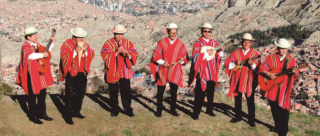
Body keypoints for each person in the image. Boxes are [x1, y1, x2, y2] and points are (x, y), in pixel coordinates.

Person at [258, 38, 299, 136]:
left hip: (284, 89)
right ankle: (277, 127)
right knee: (274, 109)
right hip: (273, 88)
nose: (283, 50)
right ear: (277, 48)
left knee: (284, 110)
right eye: (281, 48)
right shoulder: (270, 58)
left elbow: (296, 71)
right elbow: (261, 68)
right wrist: (268, 74)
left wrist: (295, 72)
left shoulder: (291, 60)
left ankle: (284, 131)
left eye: (285, 49)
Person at [16, 27, 55, 124]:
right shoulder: (25, 46)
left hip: (39, 73)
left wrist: (52, 42)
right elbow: (30, 56)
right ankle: (33, 116)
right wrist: (42, 55)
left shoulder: (37, 45)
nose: (37, 37)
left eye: (36, 35)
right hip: (30, 75)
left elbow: (45, 52)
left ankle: (42, 113)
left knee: (42, 95)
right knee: (32, 96)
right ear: (28, 37)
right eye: (34, 35)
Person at [149, 23, 188, 117]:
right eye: (172, 33)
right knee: (160, 91)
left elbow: (185, 57)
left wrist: (182, 61)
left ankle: (173, 110)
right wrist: (163, 62)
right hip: (163, 69)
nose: (173, 35)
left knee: (174, 91)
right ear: (168, 32)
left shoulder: (180, 44)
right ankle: (159, 110)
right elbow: (156, 56)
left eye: (175, 33)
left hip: (175, 70)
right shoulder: (161, 42)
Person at [188, 23, 225, 120]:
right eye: (205, 31)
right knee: (200, 93)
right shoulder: (198, 43)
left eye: (209, 31)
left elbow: (216, 56)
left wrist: (220, 52)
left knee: (210, 92)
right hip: (202, 72)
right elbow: (195, 56)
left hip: (212, 71)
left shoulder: (214, 43)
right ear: (201, 32)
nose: (207, 33)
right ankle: (196, 112)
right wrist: (205, 54)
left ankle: (210, 109)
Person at [101, 24, 138, 117]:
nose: (119, 36)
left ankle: (128, 109)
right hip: (113, 71)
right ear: (114, 33)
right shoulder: (108, 43)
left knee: (126, 91)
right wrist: (116, 52)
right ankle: (115, 109)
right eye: (117, 34)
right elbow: (105, 56)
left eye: (121, 34)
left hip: (124, 71)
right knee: (113, 91)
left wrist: (127, 53)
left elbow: (134, 54)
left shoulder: (128, 43)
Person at [59, 27, 95, 125]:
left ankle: (76, 111)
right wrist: (74, 51)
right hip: (71, 73)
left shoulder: (85, 44)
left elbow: (92, 53)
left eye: (82, 38)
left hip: (82, 72)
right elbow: (63, 57)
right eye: (79, 38)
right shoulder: (66, 44)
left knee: (80, 94)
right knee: (70, 95)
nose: (82, 40)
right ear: (74, 37)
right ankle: (68, 115)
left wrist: (86, 51)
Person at [224, 33, 260, 127]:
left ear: (251, 43)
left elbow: (259, 68)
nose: (246, 44)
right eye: (244, 42)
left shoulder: (255, 54)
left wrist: (252, 64)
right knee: (237, 98)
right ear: (241, 43)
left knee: (250, 99)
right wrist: (235, 63)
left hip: (249, 80)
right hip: (237, 79)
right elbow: (227, 63)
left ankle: (251, 119)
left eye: (248, 42)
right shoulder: (235, 53)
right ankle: (238, 116)